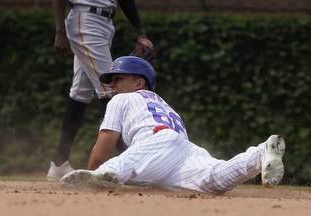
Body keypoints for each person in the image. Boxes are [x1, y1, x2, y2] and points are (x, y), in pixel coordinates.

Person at [59, 56, 286, 193]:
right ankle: (260, 154)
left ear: (139, 82)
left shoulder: (122, 98)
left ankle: (103, 176)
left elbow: (105, 143)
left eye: (118, 79)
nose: (113, 85)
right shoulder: (164, 105)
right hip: (185, 149)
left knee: (120, 164)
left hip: (157, 141)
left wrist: (93, 168)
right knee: (216, 180)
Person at [46, 0, 154, 181]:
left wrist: (140, 33)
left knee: (80, 93)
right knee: (112, 91)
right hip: (85, 20)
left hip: (104, 23)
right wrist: (59, 30)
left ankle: (59, 164)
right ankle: (133, 167)